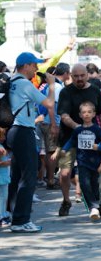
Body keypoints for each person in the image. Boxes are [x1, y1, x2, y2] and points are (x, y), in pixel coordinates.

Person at [7, 52, 57, 233]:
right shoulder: (24, 84)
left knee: (16, 175)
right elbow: (49, 104)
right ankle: (21, 220)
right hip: (23, 130)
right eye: (34, 65)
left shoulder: (11, 82)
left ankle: (9, 214)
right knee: (29, 176)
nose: (36, 69)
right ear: (26, 65)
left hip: (12, 131)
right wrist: (51, 85)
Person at [56, 64, 101, 217]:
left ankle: (96, 203)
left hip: (91, 139)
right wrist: (78, 127)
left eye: (81, 76)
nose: (79, 79)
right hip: (69, 137)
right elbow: (64, 115)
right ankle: (66, 200)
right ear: (71, 76)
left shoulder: (95, 90)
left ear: (87, 75)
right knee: (65, 173)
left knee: (93, 172)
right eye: (75, 76)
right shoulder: (66, 92)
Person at [61, 102, 101, 220]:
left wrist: (98, 147)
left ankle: (98, 207)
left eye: (89, 112)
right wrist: (64, 149)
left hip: (95, 163)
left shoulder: (97, 129)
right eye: (84, 112)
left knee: (94, 185)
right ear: (80, 115)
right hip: (82, 162)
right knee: (84, 184)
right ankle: (93, 207)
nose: (87, 114)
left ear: (94, 114)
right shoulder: (78, 130)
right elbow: (72, 141)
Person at [38, 62, 70, 190]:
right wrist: (54, 125)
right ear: (66, 73)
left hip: (48, 122)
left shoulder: (55, 85)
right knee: (51, 152)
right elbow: (52, 106)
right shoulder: (57, 87)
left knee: (49, 151)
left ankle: (50, 178)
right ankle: (51, 179)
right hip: (51, 122)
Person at [0, 128, 11, 227]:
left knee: (3, 197)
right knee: (2, 197)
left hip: (3, 176)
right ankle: (1, 217)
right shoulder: (0, 149)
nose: (4, 137)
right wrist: (6, 162)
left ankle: (3, 214)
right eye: (3, 135)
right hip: (2, 177)